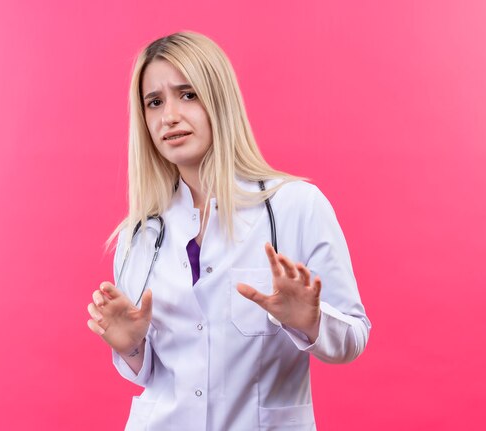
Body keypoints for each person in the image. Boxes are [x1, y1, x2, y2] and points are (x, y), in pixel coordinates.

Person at [87, 31, 371, 430]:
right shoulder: (138, 236)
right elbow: (148, 374)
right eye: (155, 102)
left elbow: (353, 338)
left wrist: (308, 321)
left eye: (188, 95)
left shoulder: (297, 207)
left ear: (219, 100)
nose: (169, 115)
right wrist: (131, 345)